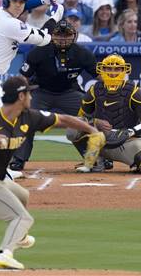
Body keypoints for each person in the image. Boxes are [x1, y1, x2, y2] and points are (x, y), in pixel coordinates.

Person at [0, 75, 103, 270]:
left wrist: (92, 130)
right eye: (29, 92)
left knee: (23, 194)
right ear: (21, 96)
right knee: (23, 217)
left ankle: (19, 236)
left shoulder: (29, 117)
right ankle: (4, 254)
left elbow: (63, 118)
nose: (32, 96)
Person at [9, 20, 98, 171]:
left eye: (67, 35)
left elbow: (99, 76)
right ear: (52, 36)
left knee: (91, 117)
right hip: (41, 92)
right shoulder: (39, 51)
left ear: (74, 36)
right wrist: (22, 96)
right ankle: (18, 159)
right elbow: (23, 77)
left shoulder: (82, 54)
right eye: (59, 35)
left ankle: (96, 157)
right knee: (25, 117)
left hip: (69, 92)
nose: (63, 38)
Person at [67, 53, 141, 173]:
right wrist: (95, 122)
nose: (112, 72)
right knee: (73, 128)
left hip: (127, 142)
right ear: (102, 70)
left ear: (124, 70)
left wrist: (130, 132)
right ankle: (95, 161)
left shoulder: (134, 92)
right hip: (99, 141)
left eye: (117, 69)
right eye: (108, 68)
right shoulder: (94, 90)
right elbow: (79, 119)